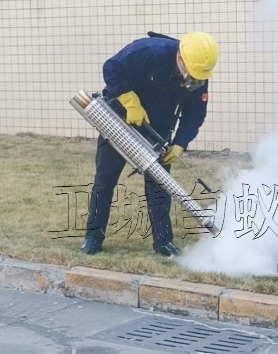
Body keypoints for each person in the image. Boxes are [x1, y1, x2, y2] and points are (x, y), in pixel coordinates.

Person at [80, 31, 218, 258]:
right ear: (181, 57)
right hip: (120, 120)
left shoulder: (199, 72)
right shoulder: (149, 51)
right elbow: (111, 69)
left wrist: (180, 143)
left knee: (159, 186)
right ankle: (93, 238)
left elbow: (195, 113)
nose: (193, 80)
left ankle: (164, 242)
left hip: (159, 129)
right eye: (191, 74)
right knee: (105, 181)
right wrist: (130, 102)